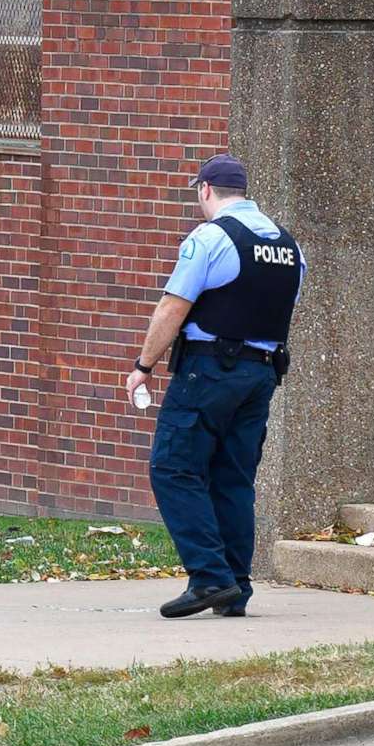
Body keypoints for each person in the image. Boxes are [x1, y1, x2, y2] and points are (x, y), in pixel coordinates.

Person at [124, 153, 303, 619]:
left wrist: (144, 365)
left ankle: (209, 577)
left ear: (205, 190)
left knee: (173, 467)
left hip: (208, 372)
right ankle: (236, 586)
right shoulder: (288, 246)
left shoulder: (210, 238)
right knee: (234, 478)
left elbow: (172, 307)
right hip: (261, 373)